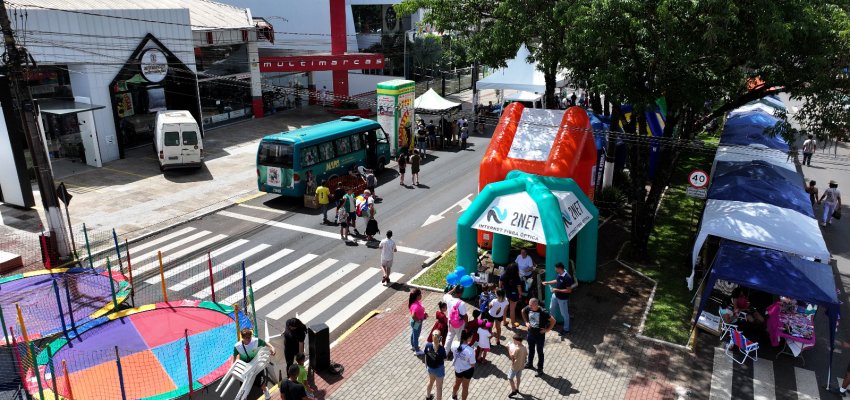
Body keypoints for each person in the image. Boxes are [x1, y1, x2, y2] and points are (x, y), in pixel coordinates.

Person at [233, 328, 276, 399]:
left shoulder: (255, 341)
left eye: (250, 337)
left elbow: (265, 343)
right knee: (244, 383)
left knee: (261, 383)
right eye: (247, 338)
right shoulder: (237, 346)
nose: (249, 339)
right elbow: (235, 355)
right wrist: (234, 365)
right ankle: (244, 396)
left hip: (256, 365)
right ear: (243, 338)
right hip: (245, 366)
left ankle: (265, 391)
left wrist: (272, 347)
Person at [521, 298, 555, 377]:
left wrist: (546, 330)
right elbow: (522, 311)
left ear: (536, 305)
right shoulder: (529, 307)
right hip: (530, 333)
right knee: (531, 348)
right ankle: (530, 363)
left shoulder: (543, 312)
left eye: (531, 305)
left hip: (539, 335)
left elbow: (553, 321)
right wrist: (526, 322)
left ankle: (540, 369)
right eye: (529, 305)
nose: (529, 307)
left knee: (540, 352)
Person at [542, 262, 574, 336]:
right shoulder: (559, 274)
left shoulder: (567, 277)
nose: (555, 269)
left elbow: (569, 290)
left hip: (562, 299)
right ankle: (553, 323)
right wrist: (547, 282)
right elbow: (557, 280)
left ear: (559, 268)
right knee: (551, 308)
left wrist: (557, 290)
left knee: (565, 314)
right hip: (555, 296)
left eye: (556, 268)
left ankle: (566, 330)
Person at [450, 329, 476, 400]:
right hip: (468, 371)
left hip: (458, 369)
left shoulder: (454, 344)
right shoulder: (471, 351)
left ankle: (454, 395)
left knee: (457, 383)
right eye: (471, 336)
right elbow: (472, 365)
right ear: (468, 338)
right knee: (465, 387)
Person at [443, 285, 468, 359]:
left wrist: (453, 289)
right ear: (461, 293)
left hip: (450, 322)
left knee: (449, 337)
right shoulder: (461, 303)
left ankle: (445, 353)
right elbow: (464, 316)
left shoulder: (449, 299)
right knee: (460, 339)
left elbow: (446, 295)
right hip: (459, 325)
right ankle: (460, 353)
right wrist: (466, 325)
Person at [500, 263, 524, 328]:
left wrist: (501, 288)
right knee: (512, 309)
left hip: (505, 293)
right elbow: (519, 288)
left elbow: (500, 281)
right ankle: (513, 324)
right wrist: (520, 294)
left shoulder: (504, 275)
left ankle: (504, 321)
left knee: (505, 308)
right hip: (514, 294)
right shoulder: (516, 277)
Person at [424, 331, 447, 400]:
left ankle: (428, 396)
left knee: (430, 382)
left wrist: (426, 366)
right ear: (440, 338)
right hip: (439, 369)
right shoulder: (442, 349)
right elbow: (445, 358)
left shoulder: (428, 345)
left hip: (430, 368)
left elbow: (426, 355)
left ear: (432, 336)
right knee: (439, 387)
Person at [507, 334, 528, 398]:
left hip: (515, 366)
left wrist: (508, 348)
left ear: (518, 341)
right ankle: (517, 389)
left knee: (510, 378)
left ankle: (513, 391)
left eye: (514, 340)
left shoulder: (517, 349)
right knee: (518, 377)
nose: (513, 342)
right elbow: (526, 354)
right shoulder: (524, 346)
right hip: (521, 365)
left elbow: (512, 357)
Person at [409, 288, 428, 355]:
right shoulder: (415, 306)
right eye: (420, 294)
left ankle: (413, 346)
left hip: (415, 322)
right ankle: (417, 350)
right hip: (416, 323)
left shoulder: (415, 302)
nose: (421, 295)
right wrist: (419, 321)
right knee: (416, 336)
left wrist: (424, 313)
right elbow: (413, 316)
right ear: (417, 296)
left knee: (413, 334)